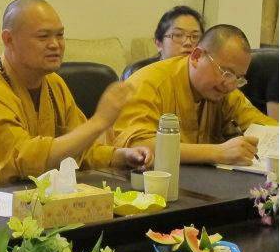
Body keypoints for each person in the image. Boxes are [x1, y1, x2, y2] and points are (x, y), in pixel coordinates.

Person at [0, 0, 152, 189]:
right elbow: (23, 163)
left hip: (38, 203)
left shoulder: (53, 84)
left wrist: (121, 156)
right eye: (43, 36)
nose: (55, 45)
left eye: (60, 35)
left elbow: (79, 149)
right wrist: (99, 122)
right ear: (8, 39)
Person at [114, 25, 278, 166]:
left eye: (238, 78)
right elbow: (137, 145)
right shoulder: (149, 83)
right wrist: (218, 152)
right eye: (225, 72)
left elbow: (268, 129)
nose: (229, 84)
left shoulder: (226, 94)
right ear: (196, 57)